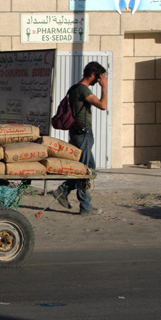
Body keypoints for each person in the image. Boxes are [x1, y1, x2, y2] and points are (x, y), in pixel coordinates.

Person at [53, 62, 108, 216]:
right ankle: (85, 207)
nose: (99, 81)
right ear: (92, 75)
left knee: (89, 168)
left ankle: (63, 190)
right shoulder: (82, 89)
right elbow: (103, 105)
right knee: (84, 171)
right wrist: (104, 87)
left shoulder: (74, 88)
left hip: (78, 132)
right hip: (83, 133)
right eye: (98, 78)